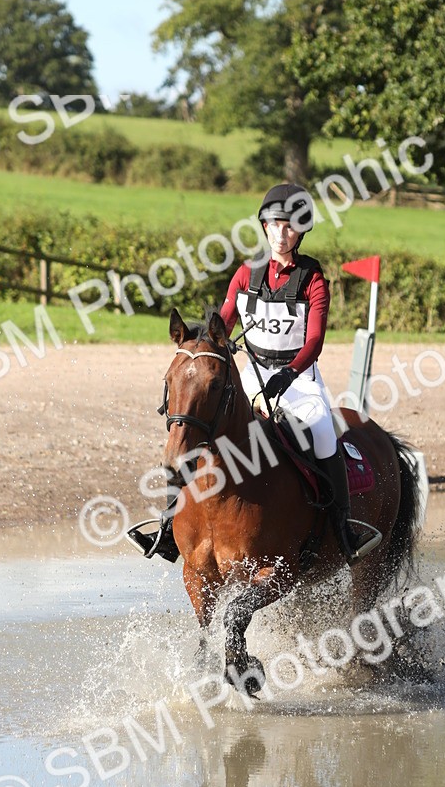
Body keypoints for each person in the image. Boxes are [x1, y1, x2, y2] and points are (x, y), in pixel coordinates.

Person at [128, 182, 381, 564]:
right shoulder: (246, 275)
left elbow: (314, 341)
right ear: (265, 227)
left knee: (325, 436)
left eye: (290, 227)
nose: (282, 233)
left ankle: (343, 529)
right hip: (250, 376)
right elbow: (223, 326)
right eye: (275, 224)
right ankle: (167, 527)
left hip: (299, 380)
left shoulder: (312, 280)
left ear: (301, 232)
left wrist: (289, 374)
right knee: (191, 427)